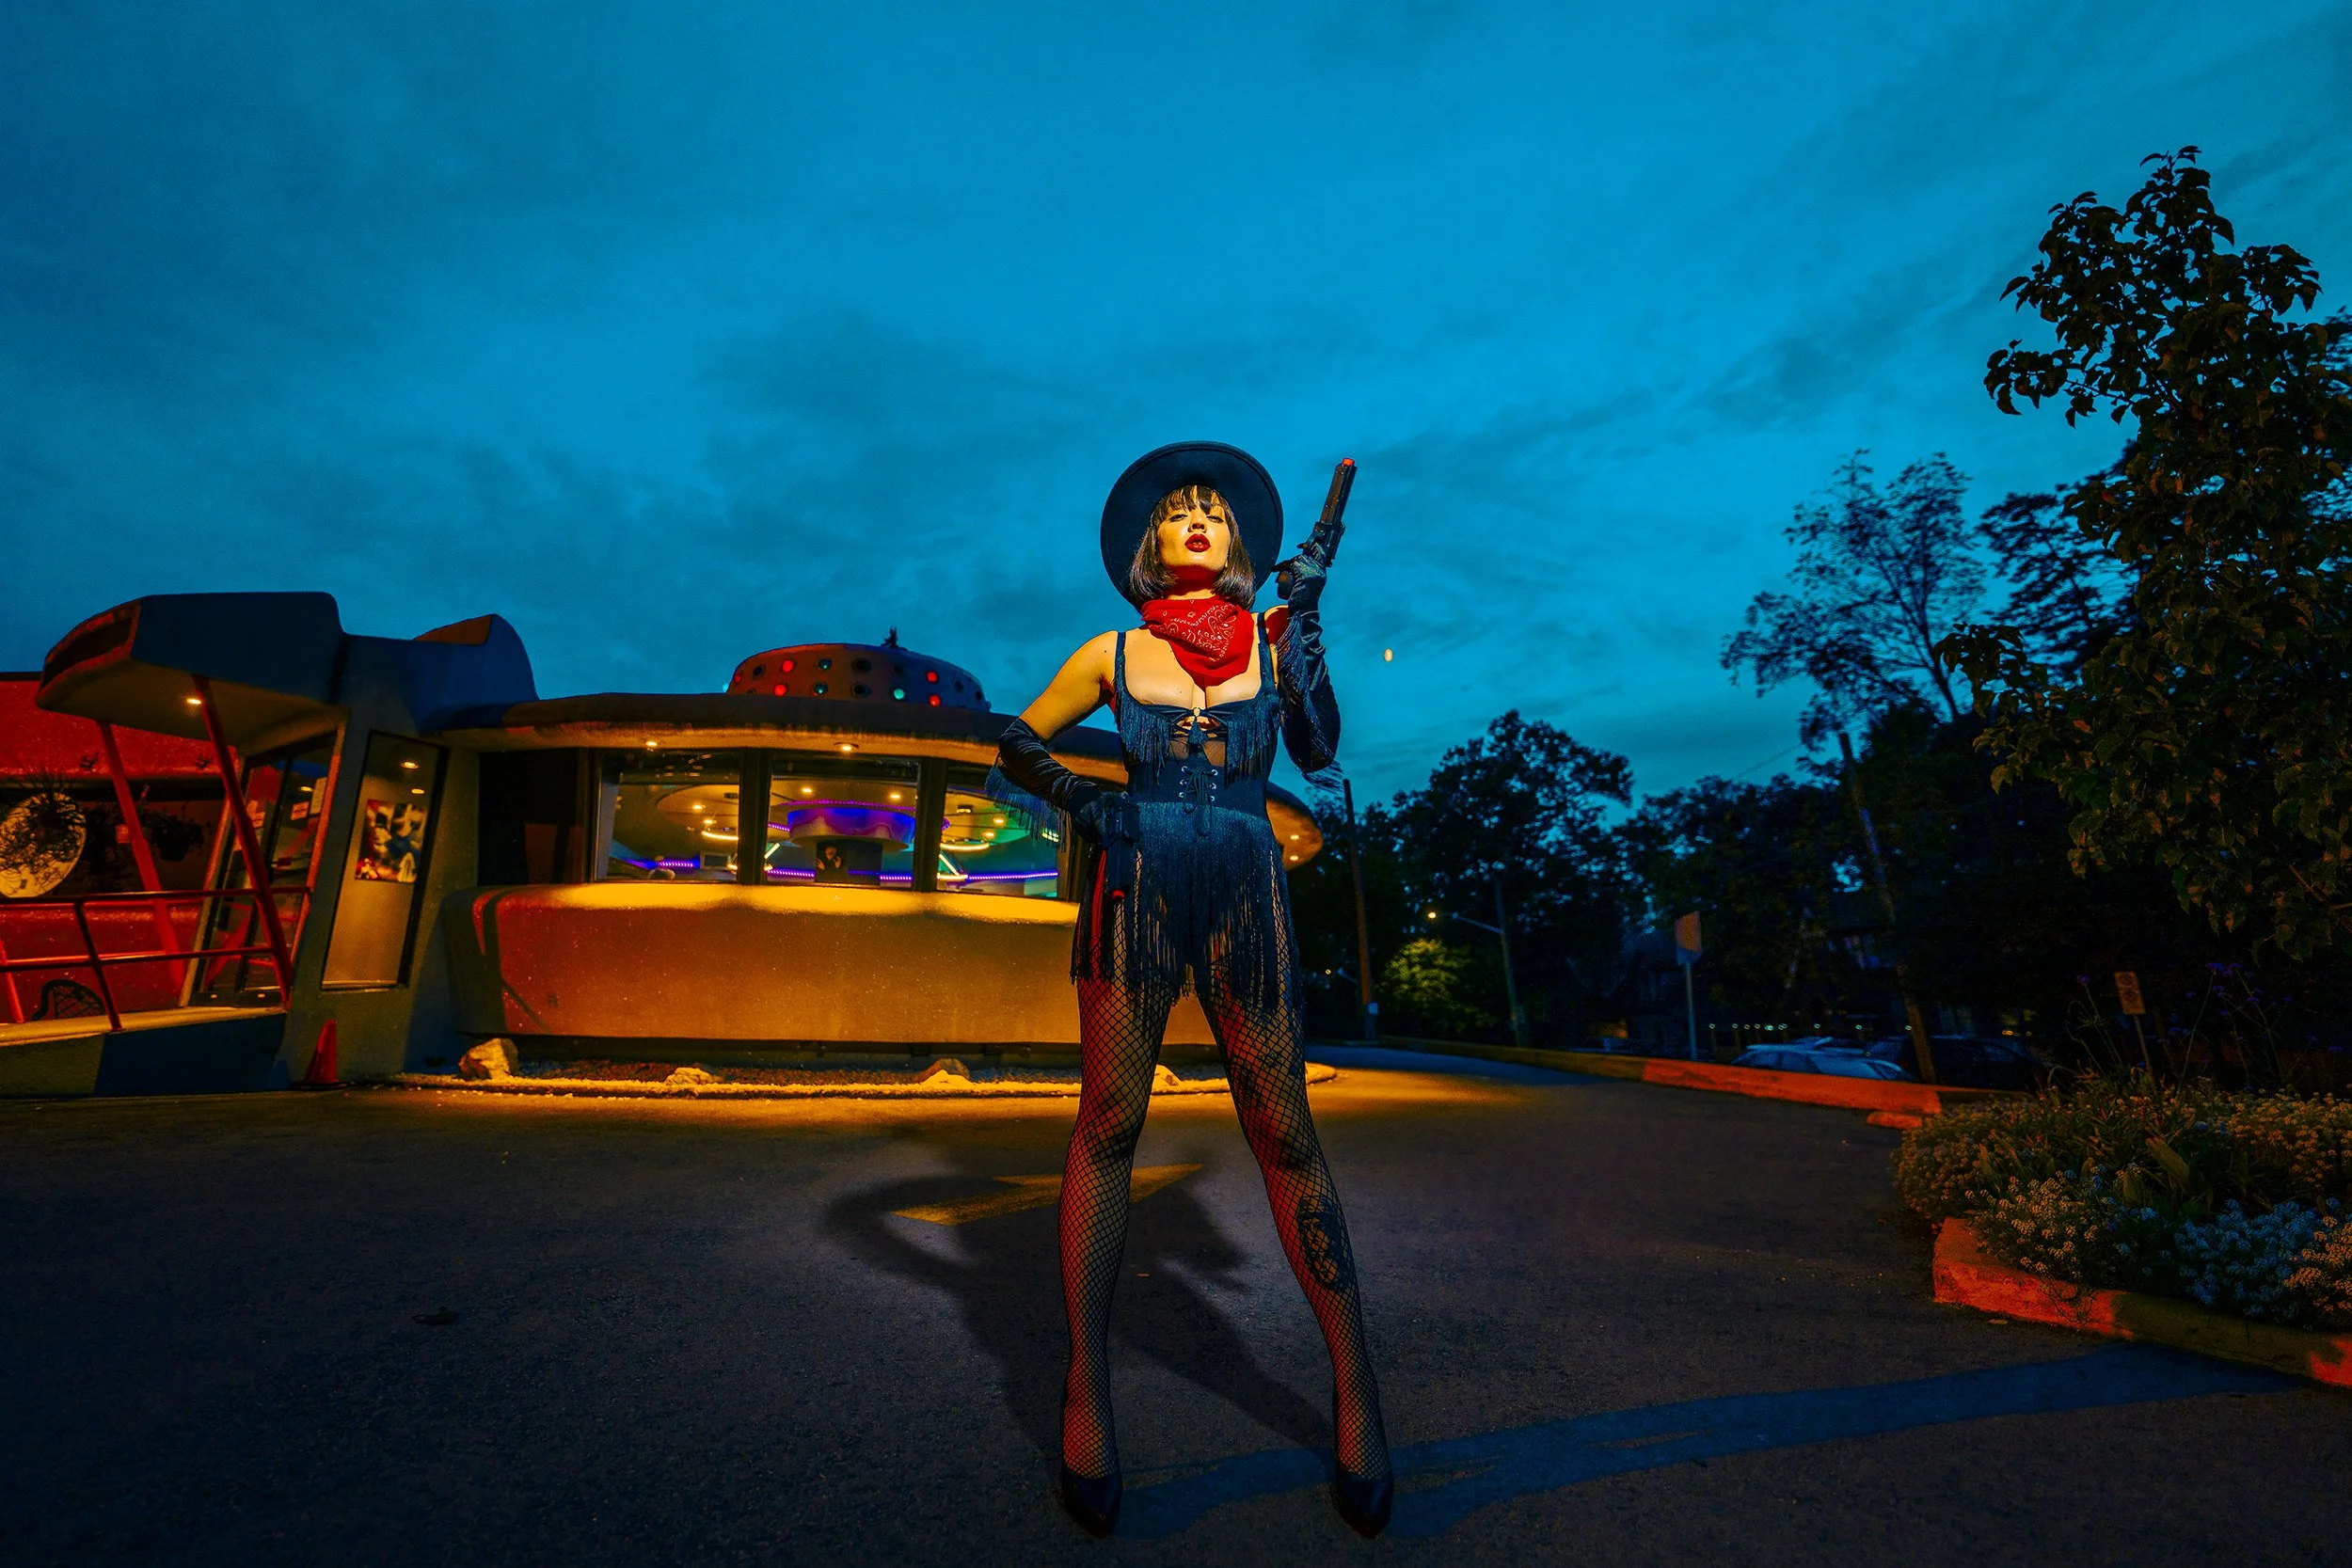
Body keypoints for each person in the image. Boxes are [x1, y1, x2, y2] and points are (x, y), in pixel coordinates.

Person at [991, 442, 1391, 1538]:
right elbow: (1014, 738)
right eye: (1179, 510)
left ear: (1242, 544)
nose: (1199, 518)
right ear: (1150, 545)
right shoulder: (1112, 649)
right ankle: (1086, 1391)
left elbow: (1318, 744)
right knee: (1110, 1121)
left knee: (1285, 1128)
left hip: (1246, 889)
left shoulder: (1272, 634)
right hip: (1137, 885)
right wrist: (1085, 799)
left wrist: (1306, 624)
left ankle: (1358, 1392)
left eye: (1214, 508)